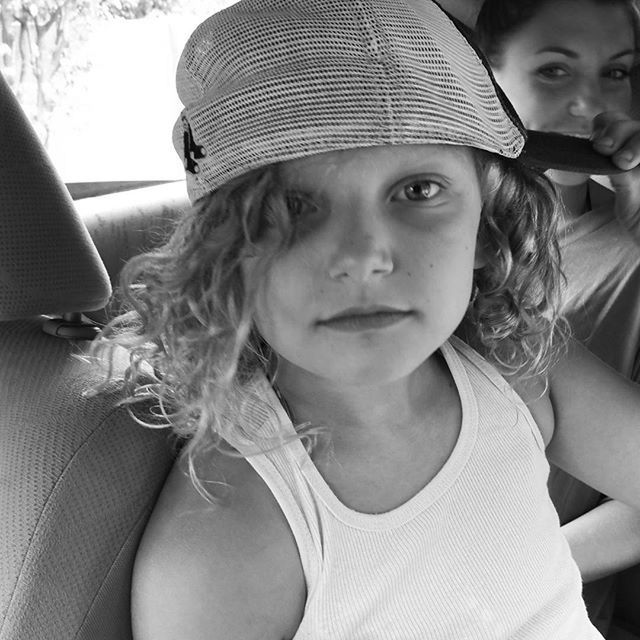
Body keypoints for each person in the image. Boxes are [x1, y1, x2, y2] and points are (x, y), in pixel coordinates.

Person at [91, 1, 640, 638]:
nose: (362, 258)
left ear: (487, 230)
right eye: (293, 206)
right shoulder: (231, 532)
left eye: (418, 191)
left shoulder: (520, 369)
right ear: (224, 256)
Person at [475, 1, 640, 635]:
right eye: (553, 72)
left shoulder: (628, 253)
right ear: (485, 78)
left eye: (616, 73)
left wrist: (522, 575)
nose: (592, 106)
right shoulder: (435, 243)